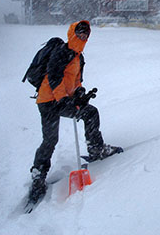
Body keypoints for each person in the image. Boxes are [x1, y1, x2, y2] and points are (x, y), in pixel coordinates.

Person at [29, 20, 122, 202]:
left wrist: (79, 93)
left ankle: (96, 149)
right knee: (50, 139)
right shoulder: (61, 52)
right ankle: (38, 175)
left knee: (90, 113)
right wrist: (63, 99)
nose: (82, 37)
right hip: (48, 101)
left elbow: (76, 80)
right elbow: (54, 78)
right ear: (72, 33)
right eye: (79, 33)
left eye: (85, 34)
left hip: (64, 100)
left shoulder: (79, 57)